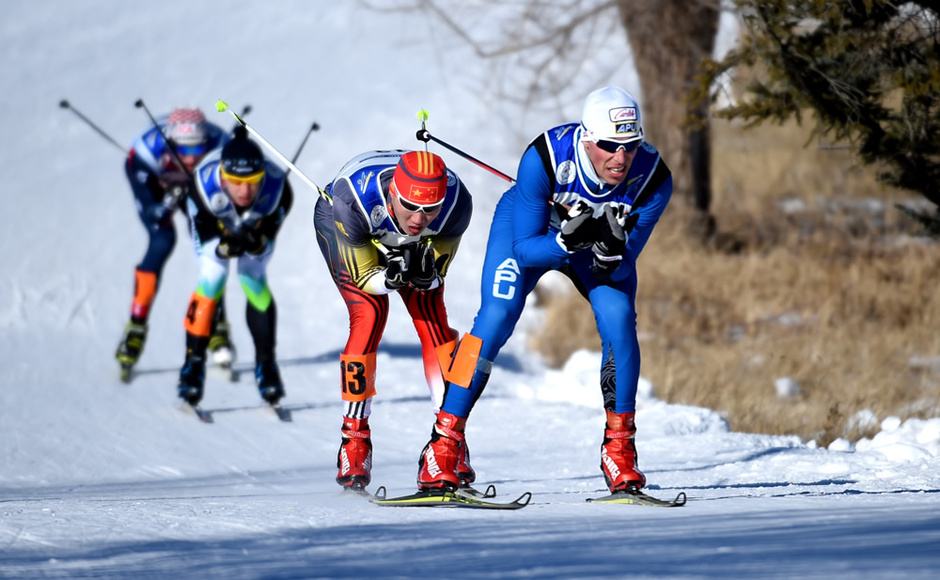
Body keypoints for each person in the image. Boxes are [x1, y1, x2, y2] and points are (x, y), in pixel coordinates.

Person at [415, 86, 673, 493]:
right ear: (587, 138)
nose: (620, 158)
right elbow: (524, 249)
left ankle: (620, 451)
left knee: (620, 321)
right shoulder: (545, 157)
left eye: (630, 145)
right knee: (495, 319)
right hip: (532, 234)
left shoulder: (654, 178)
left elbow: (625, 262)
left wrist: (608, 250)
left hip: (586, 250)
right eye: (608, 145)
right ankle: (444, 444)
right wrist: (565, 242)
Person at [314, 149, 473, 490]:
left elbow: (435, 277)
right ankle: (354, 441)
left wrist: (426, 274)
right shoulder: (351, 197)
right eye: (410, 205)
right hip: (350, 227)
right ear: (391, 194)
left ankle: (450, 439)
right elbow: (364, 279)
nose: (418, 218)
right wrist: (390, 278)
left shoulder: (456, 205)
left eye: (430, 209)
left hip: (408, 244)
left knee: (433, 321)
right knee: (370, 314)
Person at [177, 125, 293, 407]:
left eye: (253, 181)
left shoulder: (278, 188)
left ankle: (266, 366)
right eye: (236, 181)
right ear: (222, 176)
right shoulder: (202, 184)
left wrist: (258, 241)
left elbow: (268, 236)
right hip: (213, 219)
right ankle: (193, 365)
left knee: (251, 276)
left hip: (255, 222)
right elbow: (201, 230)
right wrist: (221, 244)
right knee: (214, 275)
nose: (245, 190)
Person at [115, 108, 235, 379]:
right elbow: (149, 205)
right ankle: (136, 325)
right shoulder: (146, 153)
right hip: (161, 184)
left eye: (198, 149)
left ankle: (216, 324)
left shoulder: (220, 144)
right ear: (170, 145)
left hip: (197, 185)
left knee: (212, 247)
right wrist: (164, 202)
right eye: (185, 150)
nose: (192, 157)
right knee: (162, 240)